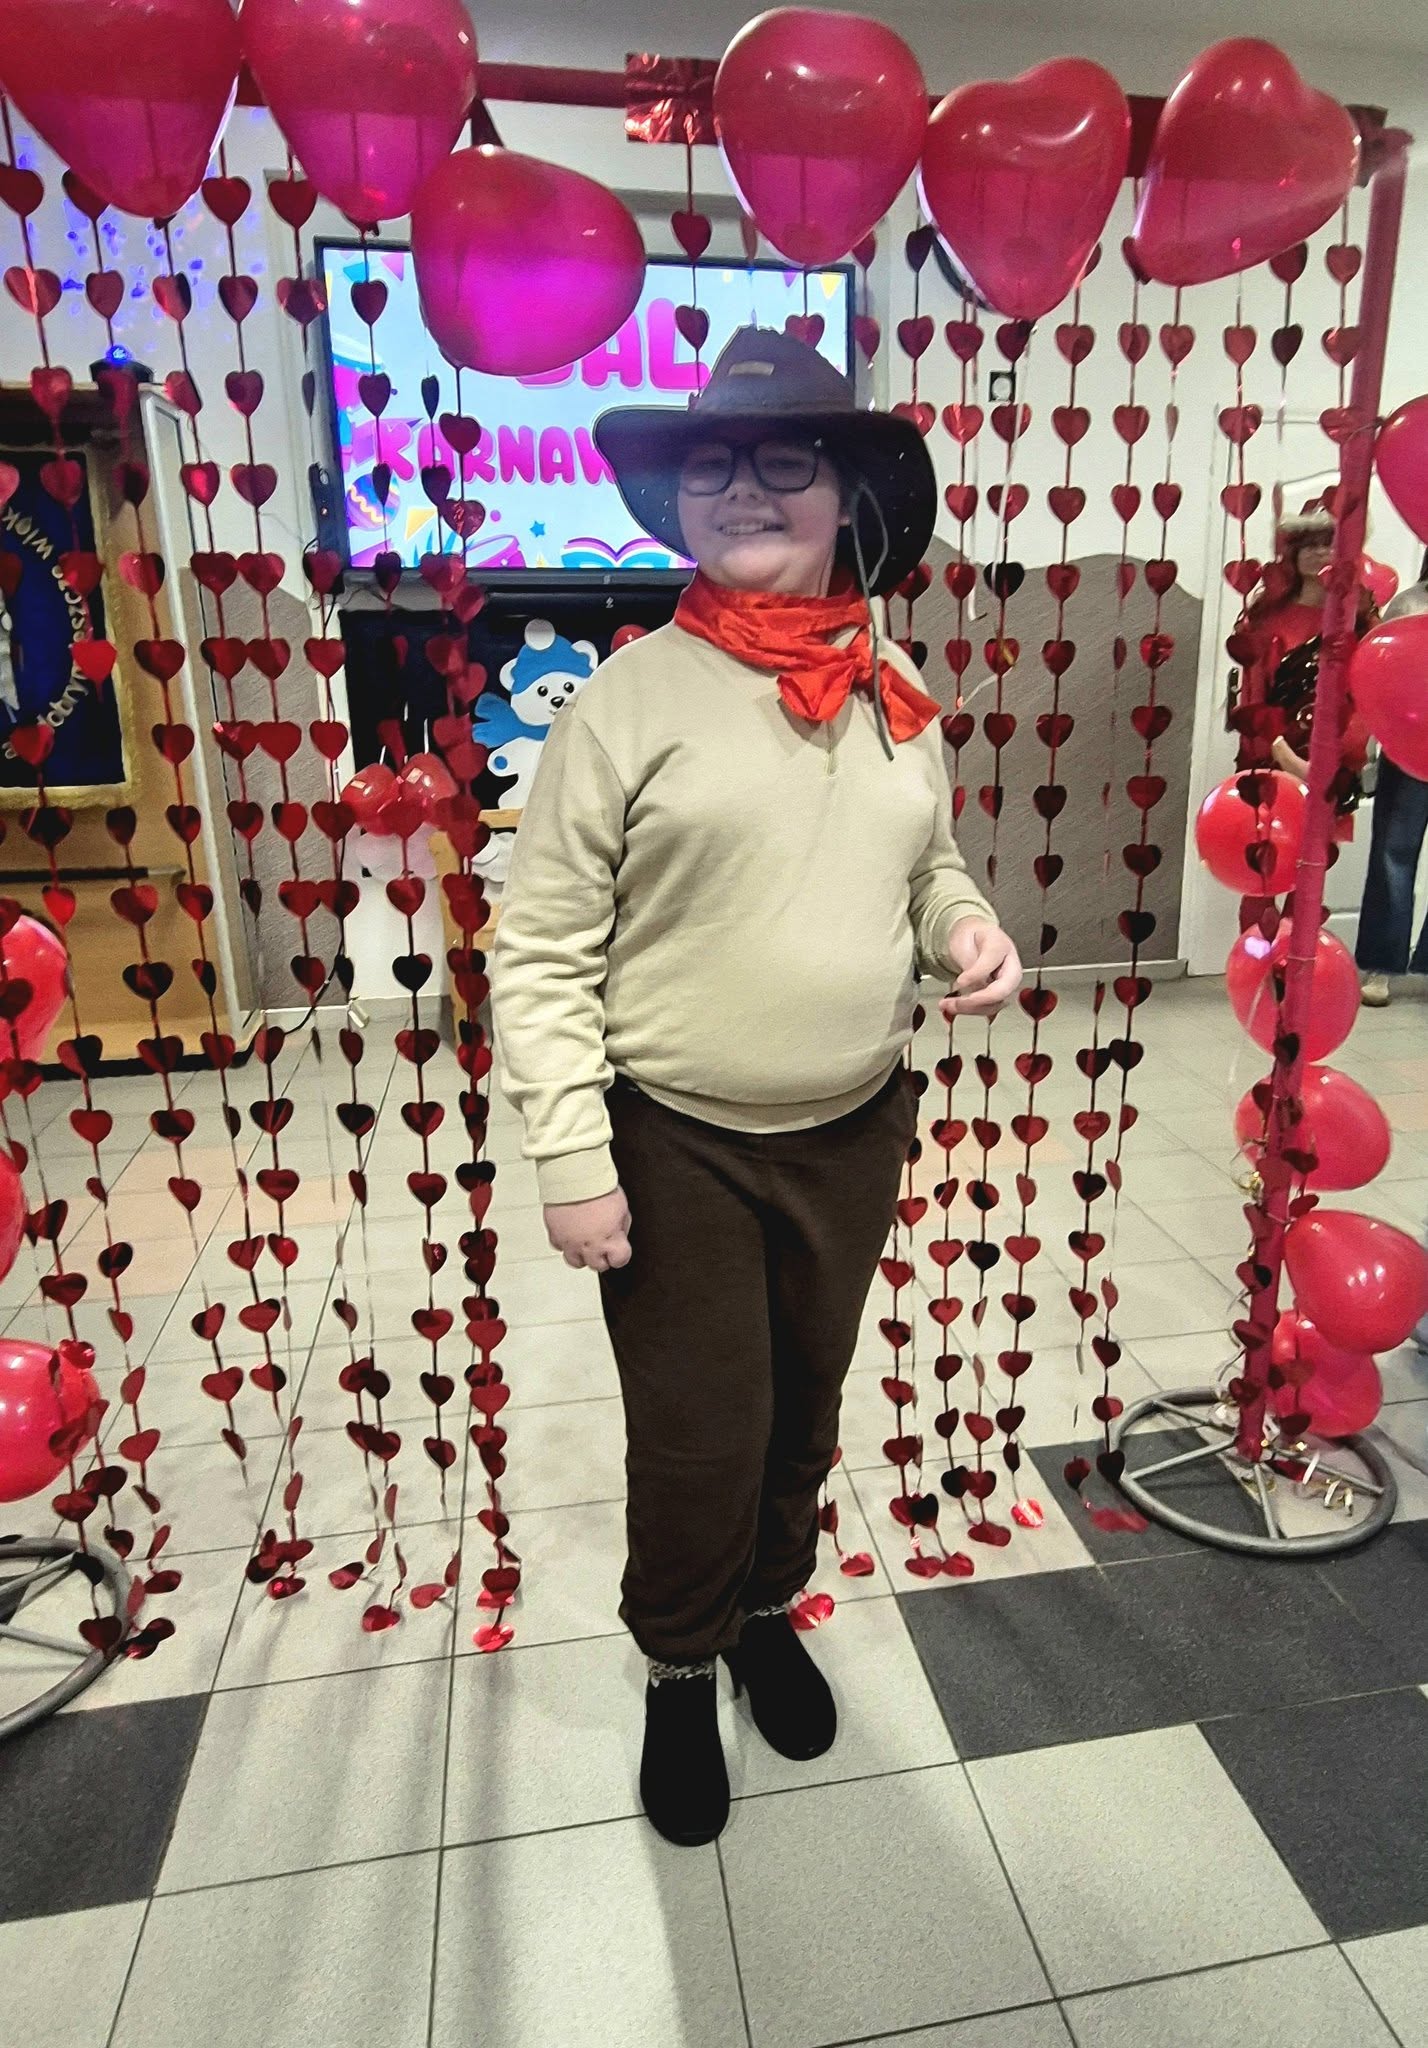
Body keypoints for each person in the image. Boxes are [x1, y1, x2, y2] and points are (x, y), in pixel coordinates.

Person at [491, 327, 1020, 1848]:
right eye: (713, 463)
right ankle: (679, 1660)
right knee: (702, 1433)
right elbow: (540, 948)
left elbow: (925, 862)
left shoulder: (892, 685)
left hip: (854, 1128)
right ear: (677, 498)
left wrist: (963, 926)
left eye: (784, 460)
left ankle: (766, 1608)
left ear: (847, 493)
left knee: (802, 1403)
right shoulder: (628, 700)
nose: (743, 489)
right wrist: (572, 1156)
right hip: (679, 1146)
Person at [1355, 554, 1428, 1006]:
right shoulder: (1409, 604)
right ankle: (1382, 964)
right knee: (1392, 855)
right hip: (1408, 747)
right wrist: (1370, 745)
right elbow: (1379, 677)